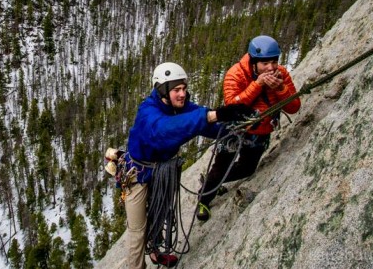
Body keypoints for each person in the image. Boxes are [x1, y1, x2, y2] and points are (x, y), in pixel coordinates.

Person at [124, 62, 254, 268]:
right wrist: (213, 114)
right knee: (138, 228)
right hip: (138, 175)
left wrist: (235, 125)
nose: (182, 94)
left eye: (184, 88)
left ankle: (156, 251)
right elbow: (164, 131)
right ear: (163, 91)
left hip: (163, 171)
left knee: (160, 212)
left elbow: (206, 123)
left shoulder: (181, 107)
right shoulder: (147, 112)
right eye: (177, 90)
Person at [196, 35, 301, 222]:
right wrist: (258, 85)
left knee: (247, 169)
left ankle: (213, 182)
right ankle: (204, 198)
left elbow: (294, 107)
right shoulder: (235, 74)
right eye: (265, 64)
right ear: (253, 62)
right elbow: (231, 106)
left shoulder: (281, 75)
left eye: (274, 62)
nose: (270, 68)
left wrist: (281, 89)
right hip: (234, 128)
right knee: (220, 168)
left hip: (260, 130)